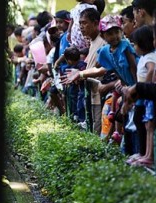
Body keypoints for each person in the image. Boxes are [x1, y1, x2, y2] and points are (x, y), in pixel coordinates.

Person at [62, 12, 138, 135]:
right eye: (109, 33)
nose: (114, 36)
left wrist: (136, 86)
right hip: (126, 87)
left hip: (135, 86)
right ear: (103, 35)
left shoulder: (125, 45)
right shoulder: (105, 51)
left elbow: (133, 67)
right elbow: (106, 68)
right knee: (123, 116)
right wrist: (80, 74)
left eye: (116, 32)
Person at [124, 25, 156, 167]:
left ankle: (147, 154)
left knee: (146, 124)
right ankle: (143, 153)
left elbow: (152, 69)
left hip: (146, 98)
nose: (134, 47)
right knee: (141, 123)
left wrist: (146, 86)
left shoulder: (150, 57)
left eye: (135, 44)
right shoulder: (143, 57)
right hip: (142, 96)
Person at [63, 47, 87, 125]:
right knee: (77, 103)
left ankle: (81, 120)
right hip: (78, 90)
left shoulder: (80, 66)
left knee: (80, 104)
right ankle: (77, 117)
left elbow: (84, 76)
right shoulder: (79, 65)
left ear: (68, 60)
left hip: (81, 89)